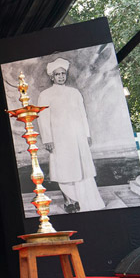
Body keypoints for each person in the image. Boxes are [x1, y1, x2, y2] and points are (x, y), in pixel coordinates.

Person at [38, 58, 105, 213]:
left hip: (77, 137)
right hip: (59, 138)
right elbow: (43, 119)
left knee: (80, 169)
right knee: (64, 169)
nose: (61, 76)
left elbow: (82, 115)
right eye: (58, 74)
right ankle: (69, 200)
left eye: (63, 73)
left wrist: (87, 134)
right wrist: (47, 139)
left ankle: (84, 200)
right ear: (52, 77)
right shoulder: (45, 95)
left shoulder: (74, 93)